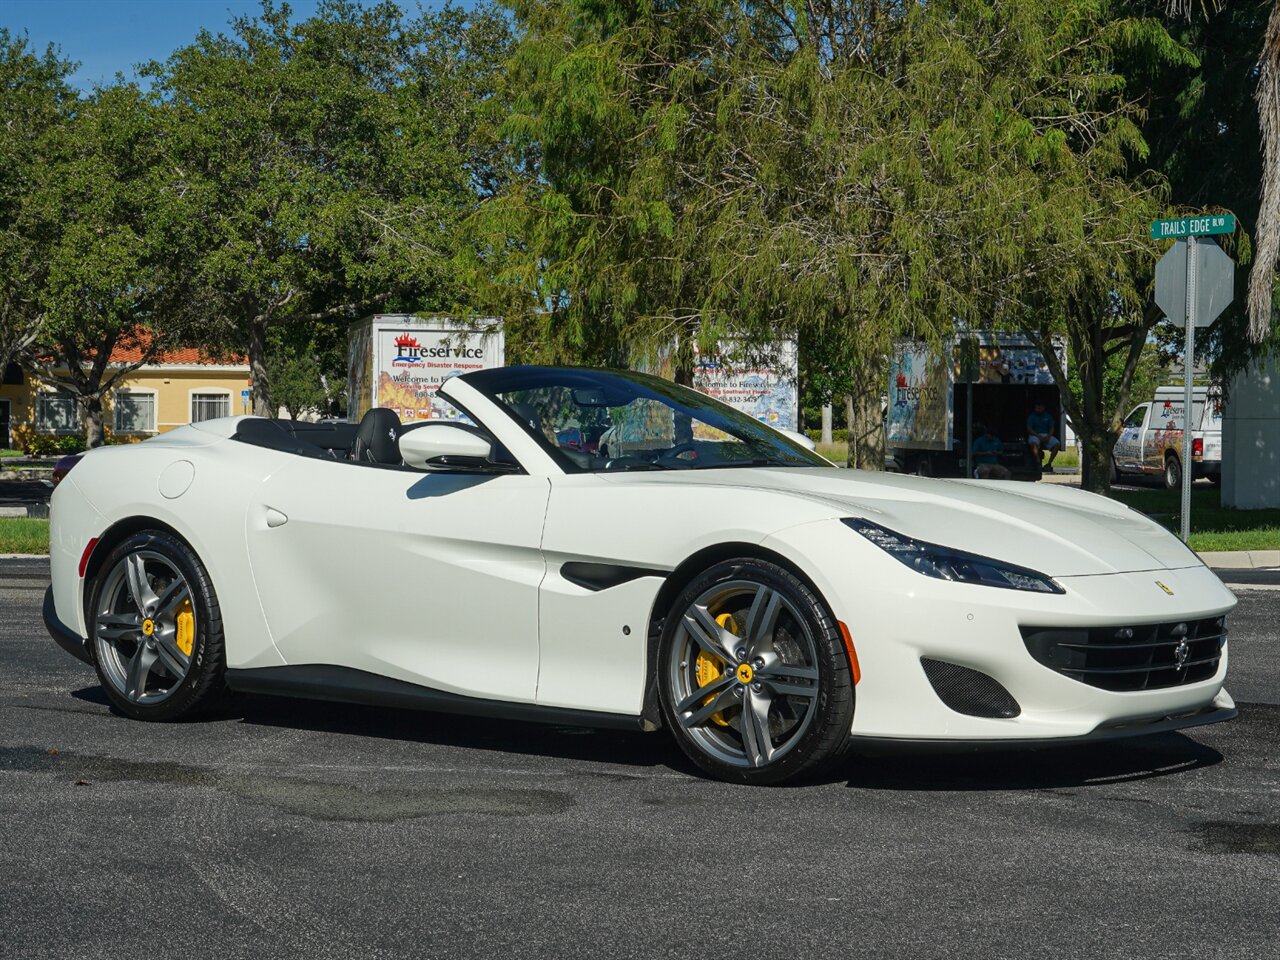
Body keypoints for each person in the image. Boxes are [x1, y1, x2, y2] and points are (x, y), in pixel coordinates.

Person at [1026, 401, 1061, 472]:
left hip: (1046, 434)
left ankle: (1049, 463)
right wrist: (1038, 436)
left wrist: (1048, 436)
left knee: (1057, 444)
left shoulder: (1048, 416)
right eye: (1037, 408)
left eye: (1040, 407)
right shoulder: (1032, 416)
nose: (1038, 409)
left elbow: (1052, 427)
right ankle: (1038, 462)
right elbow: (1029, 429)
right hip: (1035, 434)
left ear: (1043, 408)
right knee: (1034, 444)